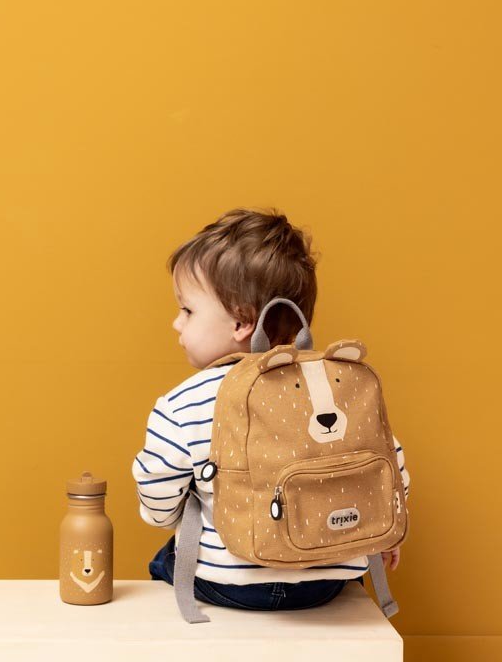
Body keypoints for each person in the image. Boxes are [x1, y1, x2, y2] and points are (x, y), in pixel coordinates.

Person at [131, 208, 410, 612]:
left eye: (187, 310)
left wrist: (168, 515)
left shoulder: (184, 401)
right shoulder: (334, 388)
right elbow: (390, 461)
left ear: (242, 321)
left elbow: (157, 493)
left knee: (168, 554)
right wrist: (386, 534)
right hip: (326, 583)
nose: (177, 323)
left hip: (230, 584)